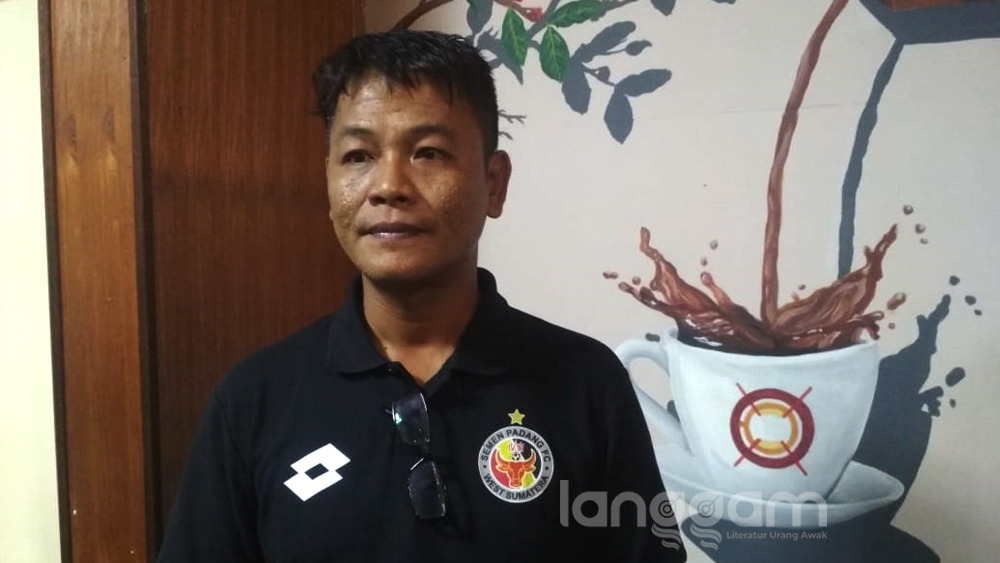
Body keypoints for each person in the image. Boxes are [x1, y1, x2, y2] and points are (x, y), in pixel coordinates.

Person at [158, 30, 686, 562]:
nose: (389, 185)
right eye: (358, 155)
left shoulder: (587, 383)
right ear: (329, 182)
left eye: (428, 152)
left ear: (495, 183)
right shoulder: (255, 399)